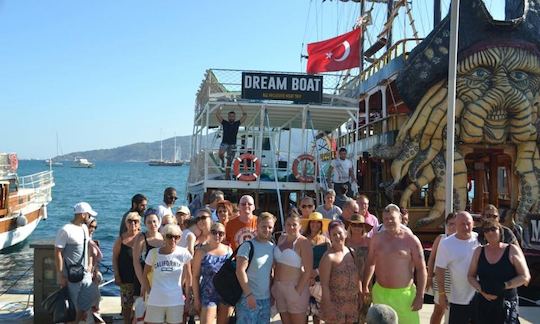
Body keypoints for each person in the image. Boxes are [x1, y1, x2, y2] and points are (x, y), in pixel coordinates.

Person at [363, 204, 426, 324]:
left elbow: (421, 268)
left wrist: (420, 295)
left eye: (392, 218)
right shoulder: (376, 239)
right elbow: (370, 262)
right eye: (386, 219)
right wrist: (365, 285)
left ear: (400, 218)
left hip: (405, 296)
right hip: (381, 294)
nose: (389, 221)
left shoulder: (411, 240)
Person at [467, 218, 531, 323]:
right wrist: (481, 290)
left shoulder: (512, 249)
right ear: (484, 234)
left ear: (500, 231)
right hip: (483, 305)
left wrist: (505, 285)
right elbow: (470, 276)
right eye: (486, 230)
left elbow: (525, 276)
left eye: (493, 229)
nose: (490, 232)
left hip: (506, 304)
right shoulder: (479, 251)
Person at [54, 202, 99, 323]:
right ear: (83, 214)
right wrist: (61, 275)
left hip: (85, 274)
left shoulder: (84, 228)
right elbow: (58, 253)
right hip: (71, 276)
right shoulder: (65, 230)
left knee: (87, 301)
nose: (90, 217)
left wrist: (90, 265)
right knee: (72, 306)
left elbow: (87, 247)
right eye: (89, 215)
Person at [141, 224, 193, 324]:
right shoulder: (153, 253)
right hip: (155, 300)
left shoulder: (184, 253)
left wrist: (187, 299)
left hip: (176, 300)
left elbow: (189, 276)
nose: (173, 240)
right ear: (164, 237)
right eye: (169, 236)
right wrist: (149, 291)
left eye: (176, 237)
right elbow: (145, 275)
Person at [435, 211, 480, 323]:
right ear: (456, 225)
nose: (465, 227)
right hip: (458, 299)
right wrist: (441, 294)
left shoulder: (481, 239)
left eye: (468, 223)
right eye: (461, 224)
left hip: (480, 296)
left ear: (473, 224)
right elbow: (440, 270)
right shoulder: (446, 244)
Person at [272, 214, 313, 324]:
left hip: (294, 287)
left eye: (294, 224)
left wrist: (297, 290)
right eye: (288, 224)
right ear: (284, 225)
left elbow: (308, 270)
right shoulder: (281, 238)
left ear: (300, 226)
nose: (291, 227)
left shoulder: (303, 242)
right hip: (278, 288)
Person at [235, 212, 276, 324]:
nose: (267, 230)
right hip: (247, 298)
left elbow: (271, 272)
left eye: (270, 227)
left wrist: (272, 294)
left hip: (266, 300)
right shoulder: (247, 246)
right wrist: (249, 294)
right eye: (264, 226)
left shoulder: (273, 247)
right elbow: (240, 271)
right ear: (257, 226)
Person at [319, 220, 362, 323]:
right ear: (330, 237)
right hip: (335, 306)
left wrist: (360, 295)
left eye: (340, 233)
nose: (338, 236)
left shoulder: (351, 252)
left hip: (352, 304)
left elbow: (358, 276)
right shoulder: (328, 258)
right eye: (334, 234)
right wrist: (328, 308)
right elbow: (324, 285)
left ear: (345, 233)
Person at [192, 223, 233, 324]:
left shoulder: (229, 251)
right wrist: (196, 299)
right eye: (214, 232)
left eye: (221, 233)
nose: (217, 235)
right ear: (209, 233)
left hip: (225, 294)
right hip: (208, 294)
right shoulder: (200, 251)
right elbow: (195, 276)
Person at [427, 213, 457, 324]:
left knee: (455, 312)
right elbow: (431, 259)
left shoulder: (465, 240)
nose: (453, 227)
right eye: (450, 224)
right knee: (438, 311)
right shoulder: (441, 239)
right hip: (441, 282)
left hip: (457, 284)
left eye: (455, 224)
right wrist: (429, 277)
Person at [300, 212, 330, 324]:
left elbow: (328, 261)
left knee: (318, 317)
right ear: (309, 223)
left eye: (318, 222)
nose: (315, 224)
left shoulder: (326, 241)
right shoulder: (302, 239)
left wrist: (316, 273)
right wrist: (307, 275)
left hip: (320, 281)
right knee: (304, 316)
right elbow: (298, 260)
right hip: (304, 281)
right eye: (313, 222)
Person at [112, 212, 141, 324]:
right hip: (125, 278)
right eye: (130, 221)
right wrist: (116, 275)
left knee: (139, 305)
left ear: (139, 223)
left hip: (140, 279)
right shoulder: (121, 239)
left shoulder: (142, 237)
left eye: (136, 221)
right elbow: (114, 258)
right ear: (126, 223)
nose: (133, 223)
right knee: (126, 306)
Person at [346, 213, 373, 323]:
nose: (356, 227)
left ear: (363, 227)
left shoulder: (370, 242)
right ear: (350, 226)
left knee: (363, 315)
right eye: (354, 225)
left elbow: (373, 263)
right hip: (348, 282)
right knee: (349, 314)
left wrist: (365, 285)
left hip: (366, 281)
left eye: (359, 225)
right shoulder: (344, 241)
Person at [132, 209, 164, 297]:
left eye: (154, 221)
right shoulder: (141, 238)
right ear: (145, 223)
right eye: (149, 222)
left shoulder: (164, 237)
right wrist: (143, 283)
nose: (152, 224)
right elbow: (136, 262)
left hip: (160, 279)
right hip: (145, 277)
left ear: (159, 222)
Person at [216, 105, 247, 178]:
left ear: (235, 117)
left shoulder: (237, 123)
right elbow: (217, 115)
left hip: (232, 144)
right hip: (224, 143)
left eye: (233, 116)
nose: (231, 117)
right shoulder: (224, 123)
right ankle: (223, 161)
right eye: (230, 116)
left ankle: (227, 177)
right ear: (228, 117)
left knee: (229, 163)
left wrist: (241, 107)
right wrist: (221, 106)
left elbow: (245, 115)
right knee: (220, 154)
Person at [86, 216, 105, 323]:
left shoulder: (92, 241)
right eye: (91, 226)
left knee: (96, 297)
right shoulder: (86, 242)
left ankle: (94, 314)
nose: (92, 229)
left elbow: (95, 261)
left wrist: (96, 271)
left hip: (93, 273)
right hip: (88, 275)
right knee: (93, 298)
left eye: (95, 227)